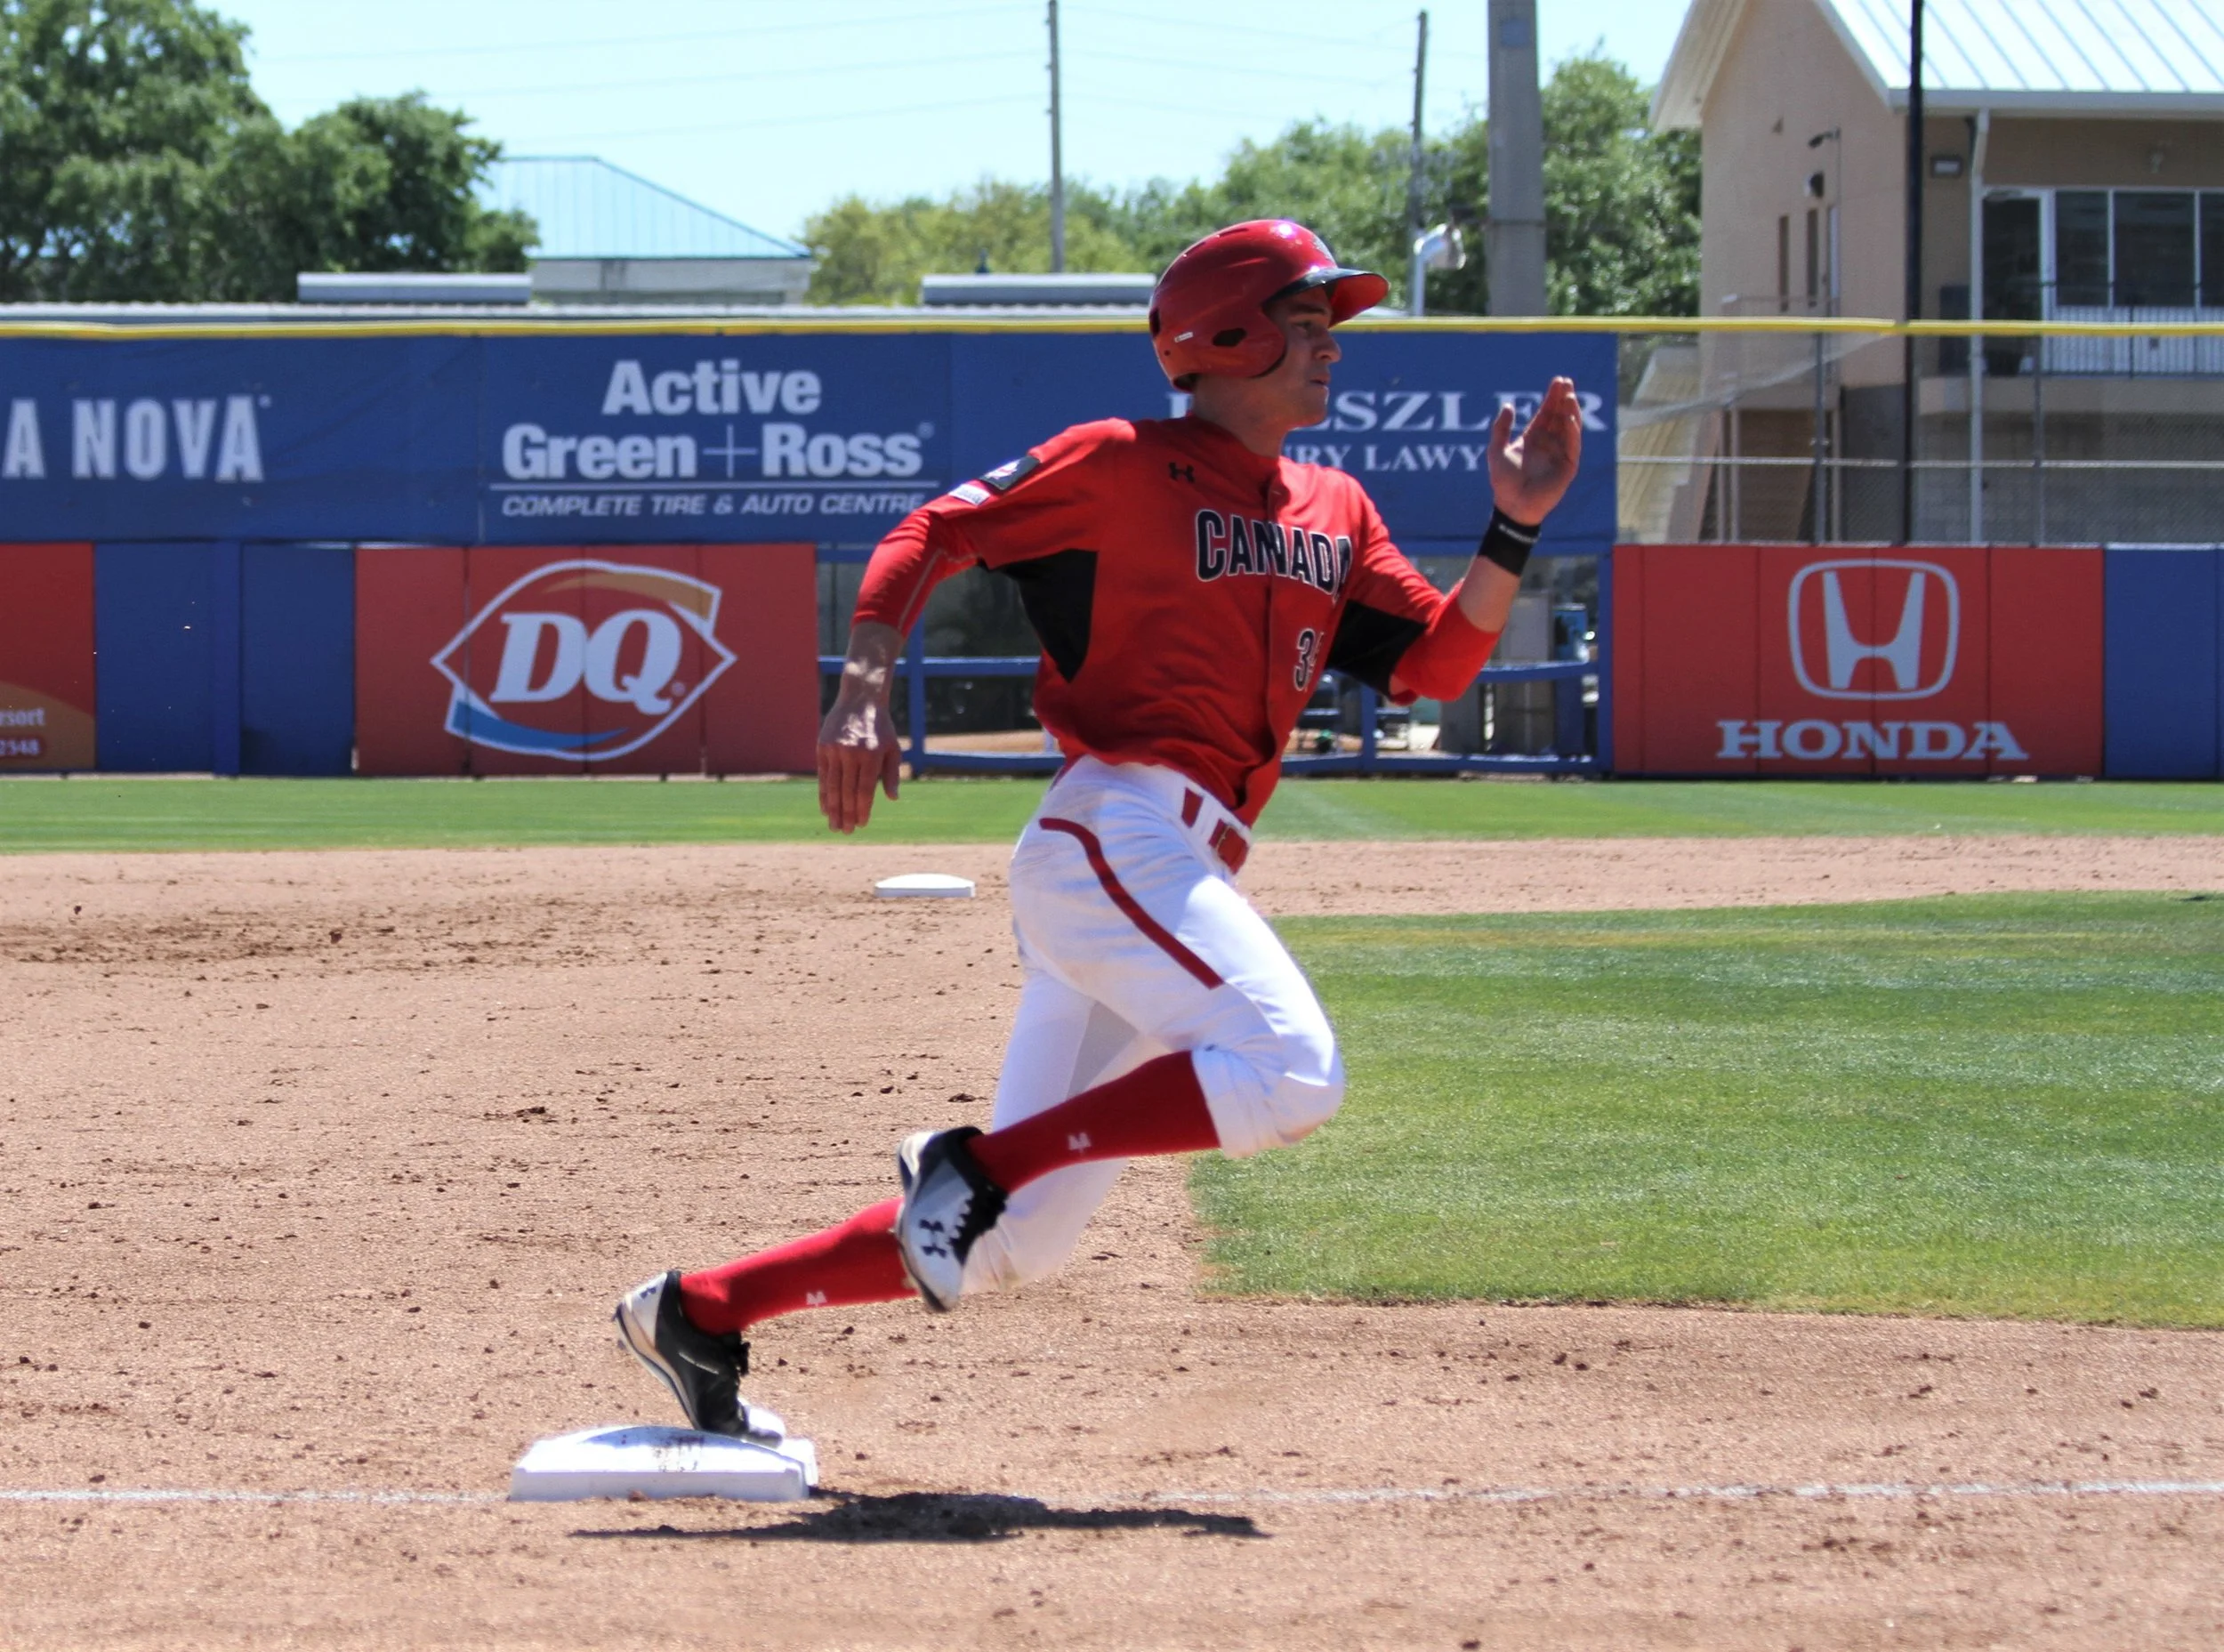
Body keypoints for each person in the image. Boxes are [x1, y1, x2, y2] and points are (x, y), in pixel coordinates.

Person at [613, 219, 1583, 1439]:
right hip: (1115, 833)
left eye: (1333, 320)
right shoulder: (1122, 463)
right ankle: (978, 1165)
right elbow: (931, 529)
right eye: (1305, 319)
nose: (1331, 342)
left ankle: (699, 1310)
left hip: (1168, 868)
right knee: (1294, 1070)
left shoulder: (1338, 506)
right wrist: (862, 680)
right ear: (1224, 335)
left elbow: (1436, 665)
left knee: (1013, 1247)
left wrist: (1516, 526)